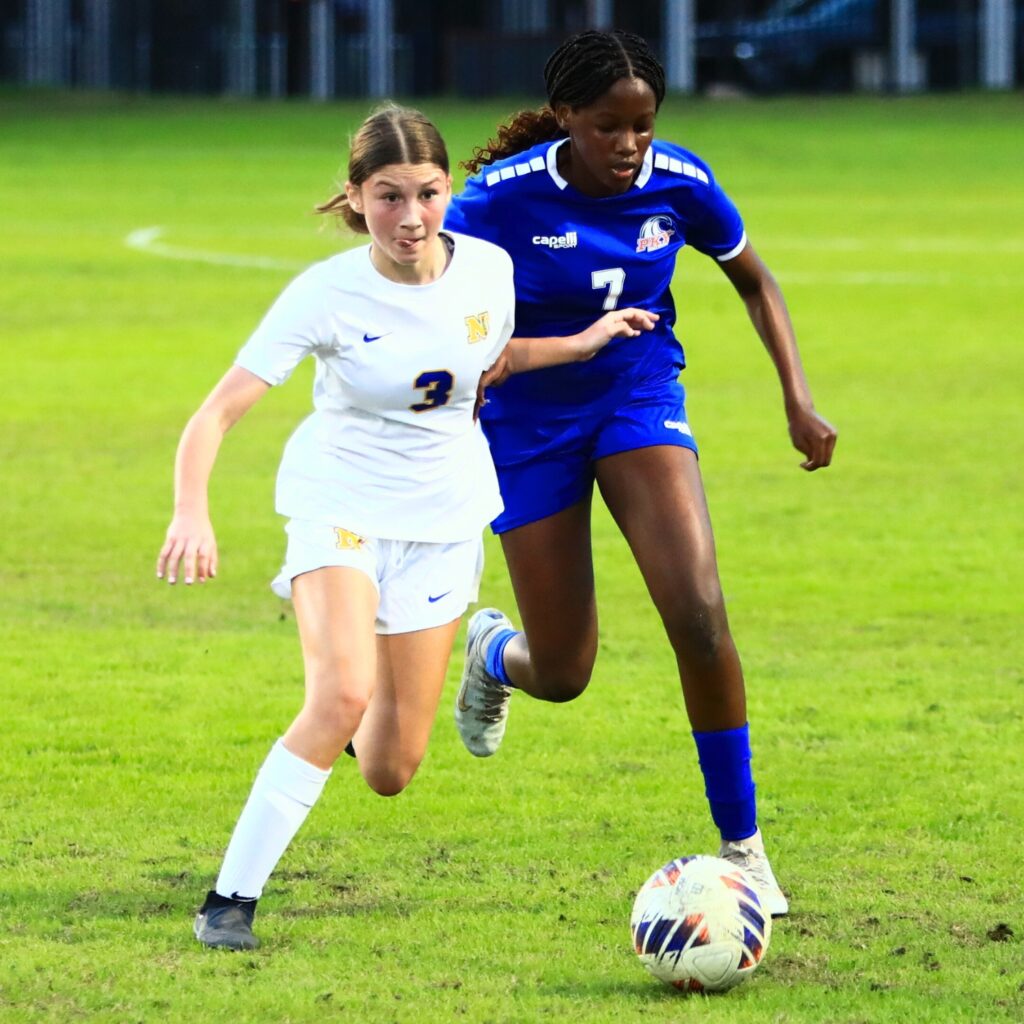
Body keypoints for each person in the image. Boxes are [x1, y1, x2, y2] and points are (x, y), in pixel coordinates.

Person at [156, 103, 657, 951]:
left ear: (447, 189)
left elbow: (486, 366)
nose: (411, 217)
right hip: (340, 506)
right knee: (341, 692)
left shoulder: (488, 272)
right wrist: (190, 510)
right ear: (356, 198)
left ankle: (469, 656)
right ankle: (229, 901)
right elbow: (215, 414)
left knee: (390, 768)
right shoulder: (326, 293)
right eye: (387, 197)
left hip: (443, 519)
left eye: (426, 193)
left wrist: (578, 344)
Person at [444, 30, 838, 918]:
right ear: (568, 119)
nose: (630, 146)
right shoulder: (498, 200)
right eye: (610, 127)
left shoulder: (681, 182)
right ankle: (494, 654)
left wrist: (797, 399)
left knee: (697, 612)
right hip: (528, 417)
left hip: (636, 395)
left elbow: (754, 280)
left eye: (644, 126)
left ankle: (746, 848)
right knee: (566, 670)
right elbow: (432, 287)